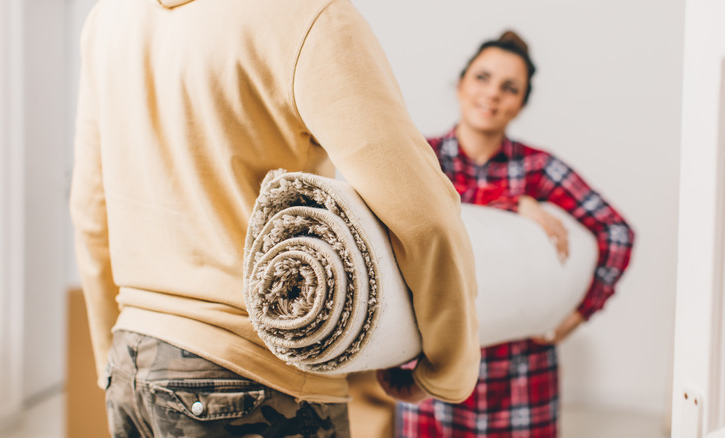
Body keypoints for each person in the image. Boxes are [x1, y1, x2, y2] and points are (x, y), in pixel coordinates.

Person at [69, 0, 481, 436]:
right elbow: (421, 215)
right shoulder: (308, 15)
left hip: (131, 362)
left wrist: (110, 359)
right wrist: (448, 366)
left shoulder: (110, 17)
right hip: (254, 378)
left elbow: (90, 212)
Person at [397, 31, 635, 437]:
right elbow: (396, 225)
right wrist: (511, 204)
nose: (492, 94)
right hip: (434, 375)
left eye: (510, 88)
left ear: (521, 104)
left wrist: (580, 313)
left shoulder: (539, 168)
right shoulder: (419, 158)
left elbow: (617, 232)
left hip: (523, 380)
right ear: (461, 84)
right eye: (483, 78)